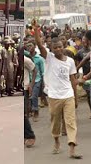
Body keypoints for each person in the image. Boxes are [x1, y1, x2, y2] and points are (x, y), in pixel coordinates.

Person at [33, 20, 82, 159]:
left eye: (60, 47)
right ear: (52, 48)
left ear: (64, 46)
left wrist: (76, 98)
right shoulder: (48, 58)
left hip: (68, 95)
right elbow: (39, 44)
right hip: (54, 96)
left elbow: (73, 80)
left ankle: (72, 148)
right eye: (55, 48)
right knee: (55, 121)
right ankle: (56, 141)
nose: (58, 49)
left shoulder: (70, 61)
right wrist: (36, 30)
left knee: (71, 122)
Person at [25, 38, 45, 122]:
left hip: (37, 79)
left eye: (31, 45)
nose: (29, 47)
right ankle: (29, 111)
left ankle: (35, 111)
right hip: (28, 79)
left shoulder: (39, 58)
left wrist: (44, 83)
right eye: (28, 46)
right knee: (28, 96)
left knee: (34, 95)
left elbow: (42, 71)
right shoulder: (26, 57)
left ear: (35, 46)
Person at [24, 55, 37, 148]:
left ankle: (30, 135)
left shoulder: (25, 59)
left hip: (25, 88)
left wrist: (31, 84)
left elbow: (35, 70)